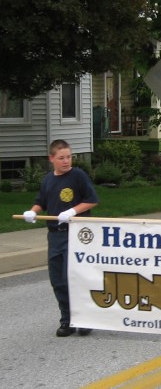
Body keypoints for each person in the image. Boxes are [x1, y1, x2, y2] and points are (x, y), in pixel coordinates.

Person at [22, 140, 99, 337]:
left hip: (75, 234)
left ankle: (84, 319)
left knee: (73, 277)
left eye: (68, 157)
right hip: (54, 236)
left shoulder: (78, 176)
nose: (66, 161)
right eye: (61, 158)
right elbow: (41, 202)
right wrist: (32, 212)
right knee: (58, 280)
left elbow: (91, 200)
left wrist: (73, 211)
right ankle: (67, 320)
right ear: (52, 159)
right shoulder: (48, 180)